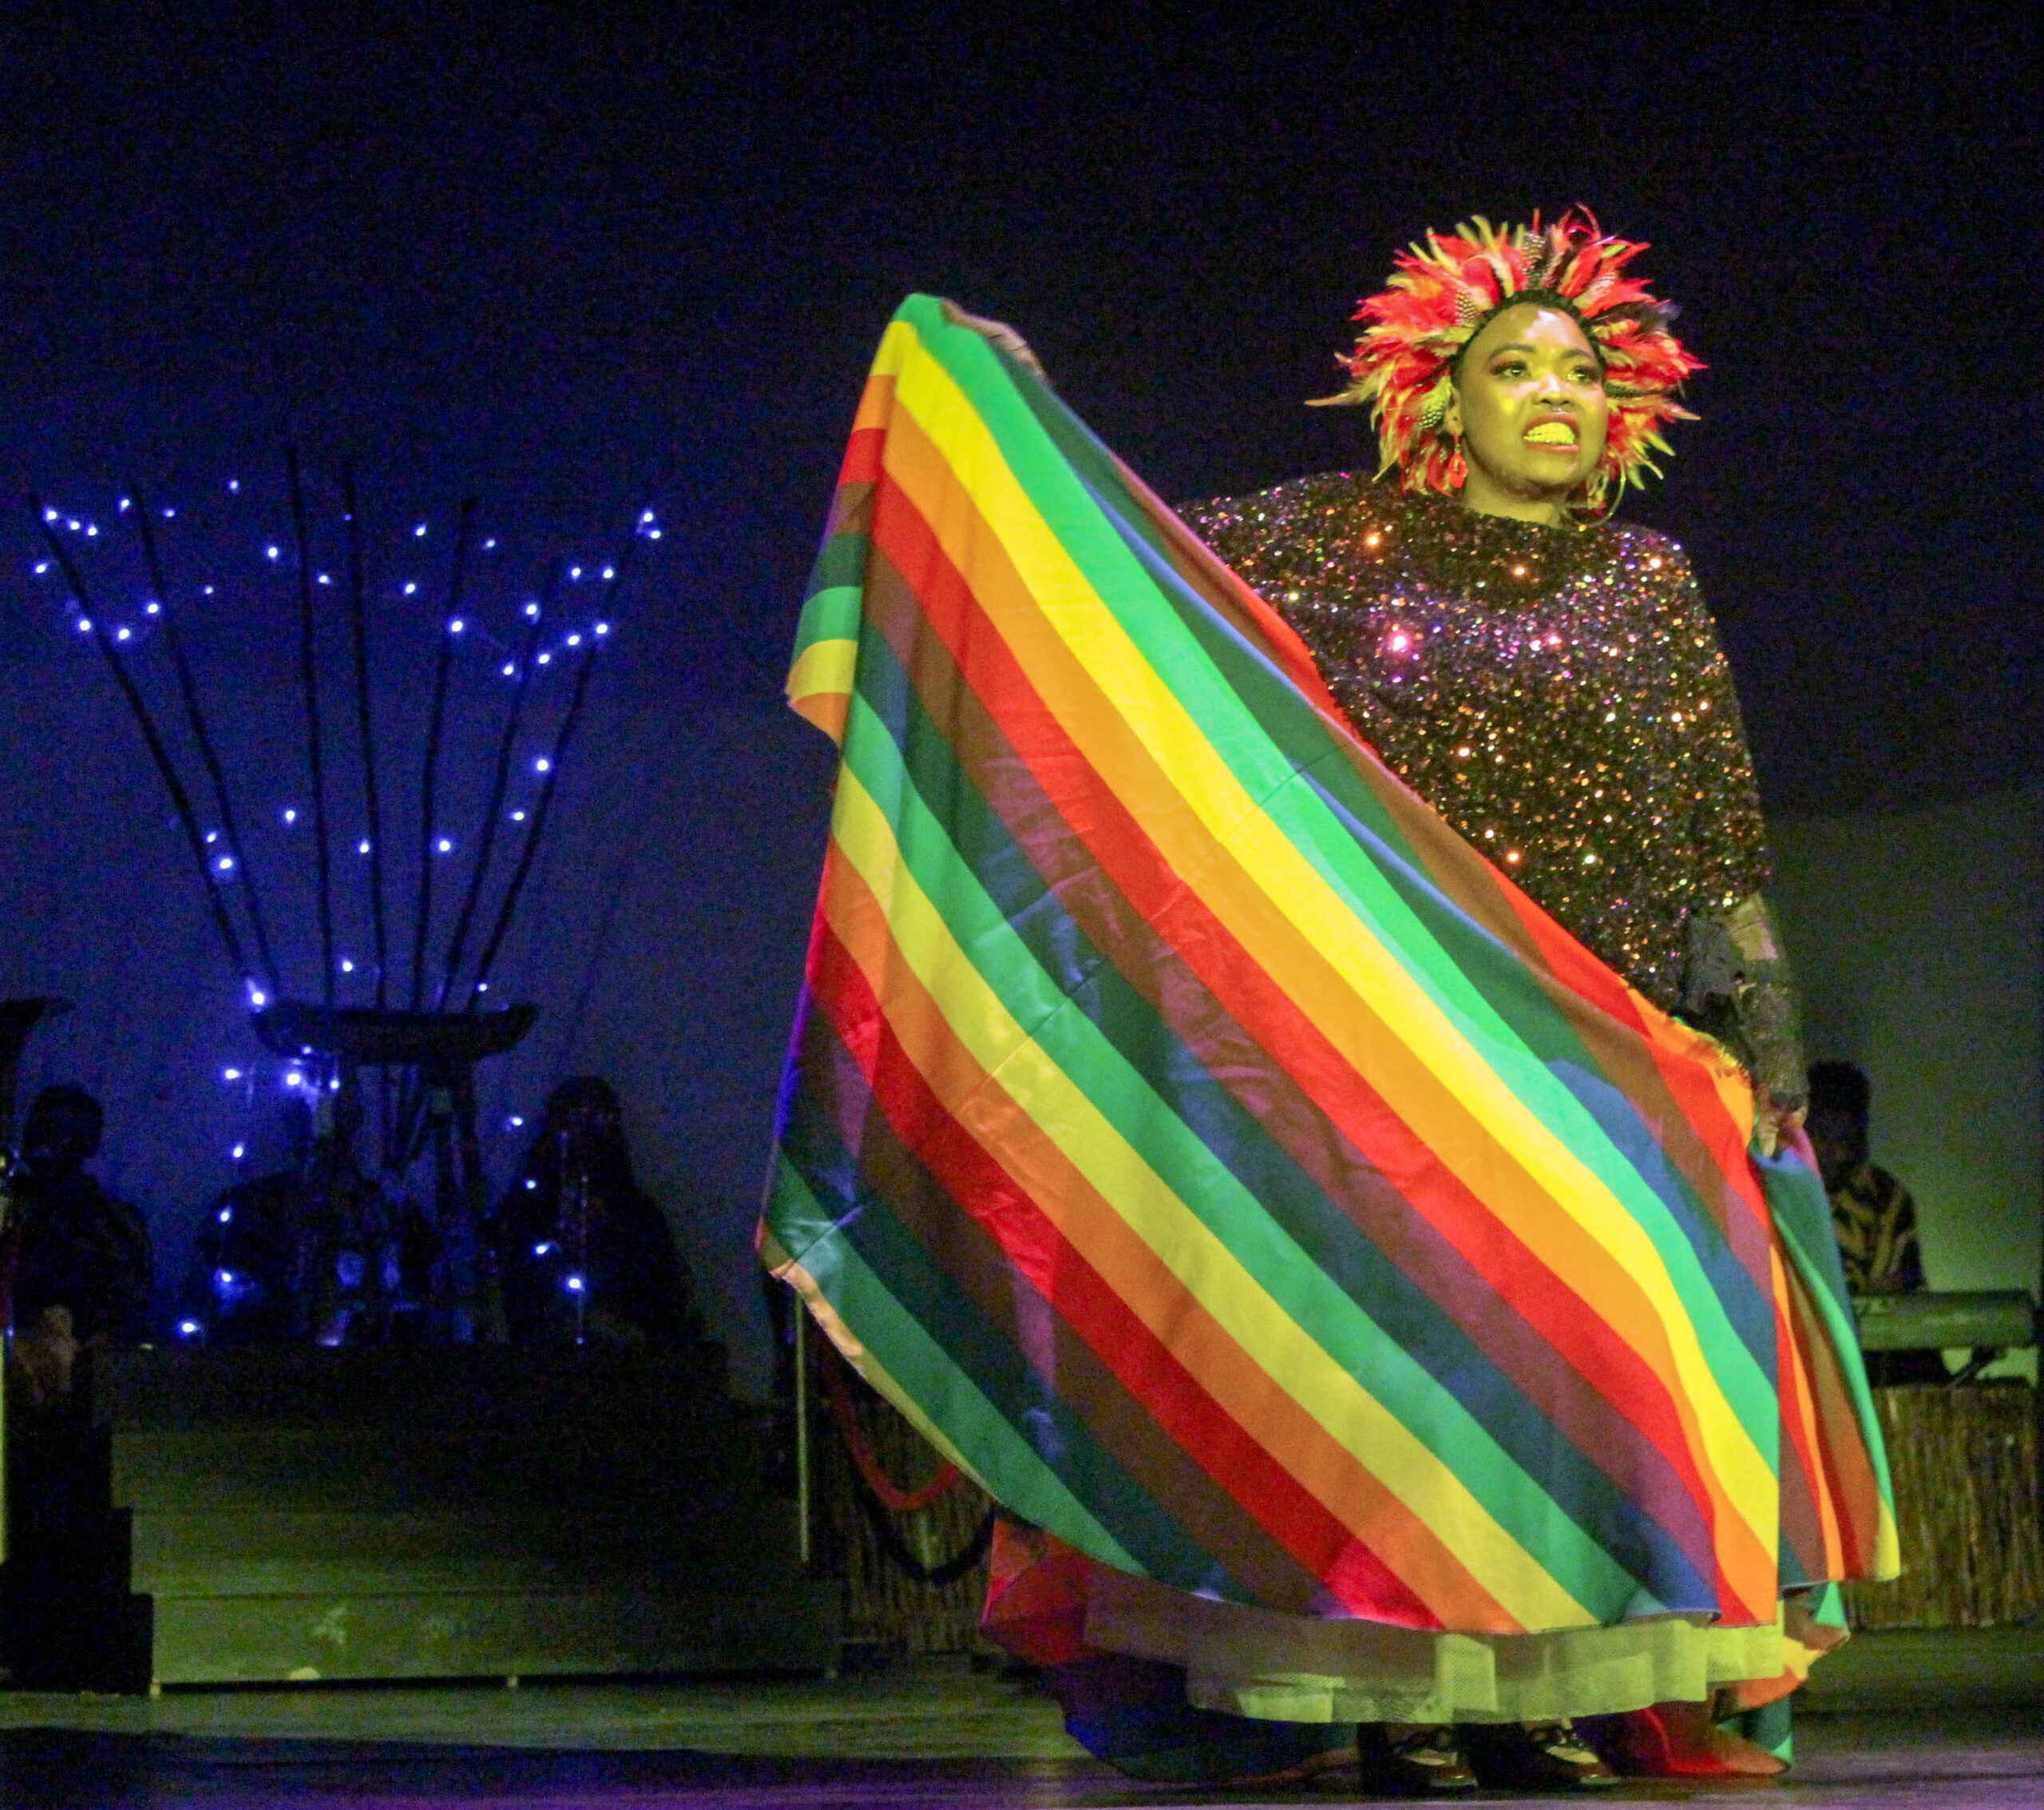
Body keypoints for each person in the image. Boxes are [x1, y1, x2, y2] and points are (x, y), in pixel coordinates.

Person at [769, 236, 1889, 1800]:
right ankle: (1403, 1702)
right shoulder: (1338, 534)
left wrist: (1762, 1034)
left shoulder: (1648, 582)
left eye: (1579, 368)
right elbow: (1127, 562)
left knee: (1594, 1368)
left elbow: (1711, 845)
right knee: (1421, 1381)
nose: (1553, 392)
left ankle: (1530, 1698)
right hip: (1395, 1030)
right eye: (1513, 365)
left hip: (1601, 1036)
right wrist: (1004, 408)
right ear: (1437, 391)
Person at [487, 1076, 701, 1349]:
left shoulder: (638, 1217)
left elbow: (664, 1300)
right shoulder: (524, 1213)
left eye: (598, 1119)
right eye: (573, 1118)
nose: (584, 1134)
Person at [3, 1083, 152, 1405]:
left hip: (83, 1384)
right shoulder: (11, 1206)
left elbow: (127, 1305)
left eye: (59, 1128)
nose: (42, 1139)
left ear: (86, 1141)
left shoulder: (112, 1220)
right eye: (39, 1125)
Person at [1807, 1059, 1944, 1385]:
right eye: (1824, 1137)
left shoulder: (1886, 1197)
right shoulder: (1770, 1191)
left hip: (1873, 1370)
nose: (1837, 1153)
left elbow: (1898, 1300)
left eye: (1847, 1140)